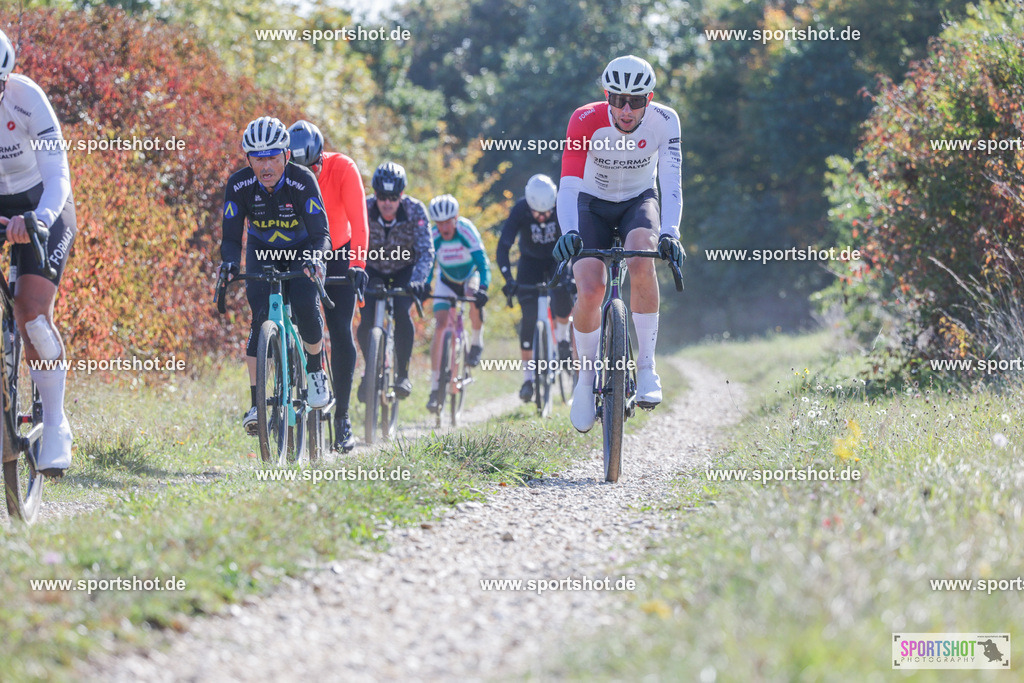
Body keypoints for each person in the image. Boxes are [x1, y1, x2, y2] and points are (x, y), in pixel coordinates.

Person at [552, 55, 686, 433]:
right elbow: (569, 184)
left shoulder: (666, 120)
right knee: (591, 288)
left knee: (644, 258)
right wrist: (568, 232)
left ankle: (646, 368)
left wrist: (671, 232)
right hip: (590, 203)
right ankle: (584, 380)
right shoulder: (583, 119)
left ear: (650, 98)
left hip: (638, 201)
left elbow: (672, 183)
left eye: (637, 101)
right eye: (618, 100)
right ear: (606, 96)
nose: (627, 110)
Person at [220, 116, 331, 434]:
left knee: (307, 308)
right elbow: (230, 239)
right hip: (261, 250)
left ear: (285, 154)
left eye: (272, 156)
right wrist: (229, 263)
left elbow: (322, 234)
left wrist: (314, 257)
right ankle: (257, 403)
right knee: (258, 320)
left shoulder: (302, 180)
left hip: (301, 249)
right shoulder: (239, 185)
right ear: (248, 159)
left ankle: (314, 370)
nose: (265, 165)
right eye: (258, 157)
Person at [0, 29, 76, 477]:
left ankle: (54, 422)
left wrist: (39, 220)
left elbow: (58, 176)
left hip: (41, 201)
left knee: (32, 315)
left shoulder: (28, 99)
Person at [287, 120, 368, 452]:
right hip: (301, 250)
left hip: (338, 251)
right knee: (298, 317)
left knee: (340, 329)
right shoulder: (283, 175)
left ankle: (343, 418)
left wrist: (358, 264)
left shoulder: (342, 167)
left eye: (314, 166)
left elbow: (359, 221)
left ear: (321, 156)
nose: (309, 173)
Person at [356, 162, 433, 401]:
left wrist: (419, 280)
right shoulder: (364, 207)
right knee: (365, 320)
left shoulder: (415, 210)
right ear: (375, 194)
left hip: (404, 269)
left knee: (402, 312)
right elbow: (352, 243)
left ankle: (403, 374)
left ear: (401, 195)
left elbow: (426, 250)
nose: (387, 203)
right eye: (381, 196)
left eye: (392, 197)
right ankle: (371, 372)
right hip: (373, 268)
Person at [496, 174, 573, 402]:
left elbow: (574, 241)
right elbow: (504, 245)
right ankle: (528, 379)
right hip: (529, 262)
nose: (543, 217)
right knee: (528, 318)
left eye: (547, 212)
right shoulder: (520, 209)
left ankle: (562, 338)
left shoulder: (561, 206)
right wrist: (508, 278)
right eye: (538, 214)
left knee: (563, 298)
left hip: (556, 259)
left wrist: (570, 273)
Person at [424, 194, 490, 413]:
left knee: (473, 296)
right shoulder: (434, 236)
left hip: (469, 277)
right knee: (441, 326)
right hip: (446, 280)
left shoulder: (466, 231)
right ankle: (435, 387)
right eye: (439, 222)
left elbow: (482, 263)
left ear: (456, 218)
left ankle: (477, 341)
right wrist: (424, 285)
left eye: (448, 221)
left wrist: (484, 288)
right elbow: (428, 263)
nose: (444, 227)